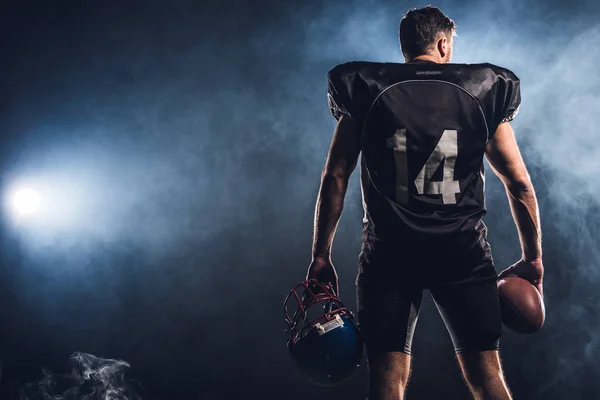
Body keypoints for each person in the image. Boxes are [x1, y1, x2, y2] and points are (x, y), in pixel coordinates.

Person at [305, 5, 543, 400]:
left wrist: (319, 255)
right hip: (462, 251)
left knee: (387, 379)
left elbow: (335, 177)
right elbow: (519, 184)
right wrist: (533, 257)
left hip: (390, 253)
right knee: (487, 377)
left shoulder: (366, 87)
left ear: (404, 47)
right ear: (443, 43)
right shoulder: (483, 88)